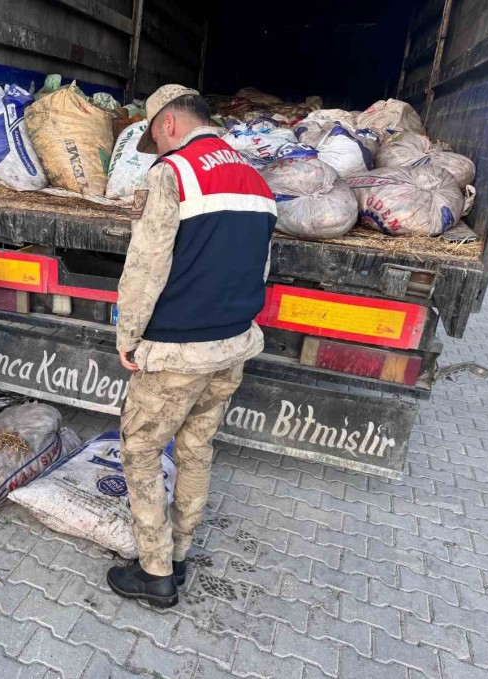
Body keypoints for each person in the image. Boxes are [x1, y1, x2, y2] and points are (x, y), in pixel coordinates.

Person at [107, 85, 276, 608]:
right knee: (196, 447)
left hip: (178, 351)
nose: (156, 149)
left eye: (155, 137)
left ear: (170, 124)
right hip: (233, 345)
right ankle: (180, 552)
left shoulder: (172, 173)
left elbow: (146, 266)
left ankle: (155, 572)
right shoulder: (257, 181)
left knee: (139, 452)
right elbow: (262, 268)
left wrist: (127, 336)